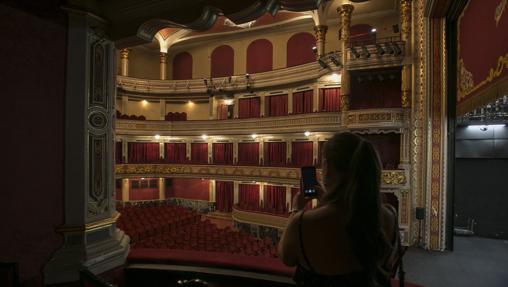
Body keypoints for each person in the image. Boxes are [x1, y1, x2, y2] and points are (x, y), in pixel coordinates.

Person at [278, 132, 399, 287]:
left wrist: (296, 209)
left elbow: (286, 257)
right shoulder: (389, 216)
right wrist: (326, 201)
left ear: (327, 167)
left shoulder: (302, 223)